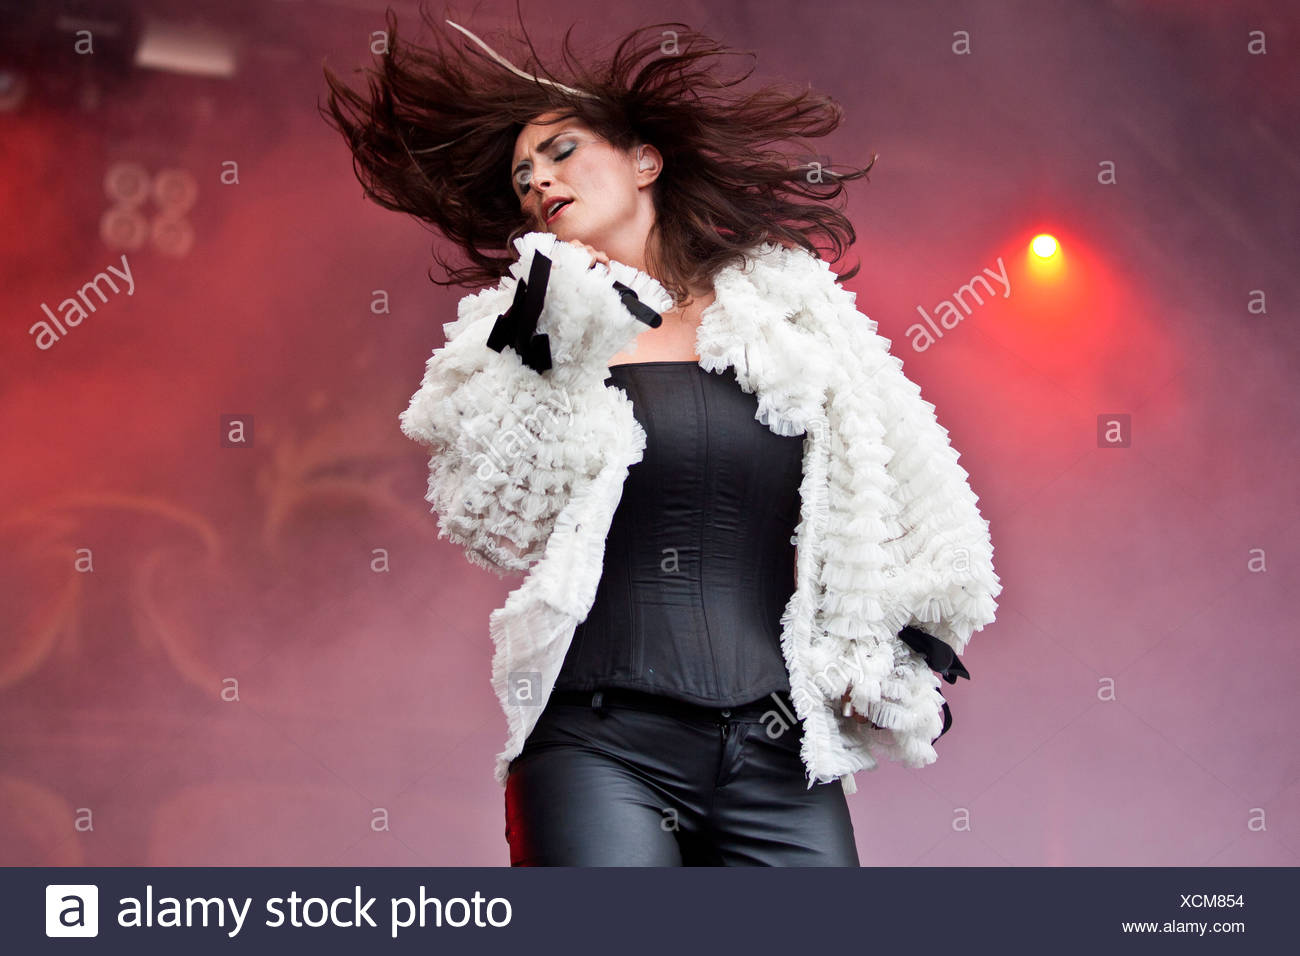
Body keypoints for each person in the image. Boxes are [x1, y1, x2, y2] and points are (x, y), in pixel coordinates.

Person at [322, 6, 1001, 866]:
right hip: (598, 745)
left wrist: (885, 646)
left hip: (778, 749)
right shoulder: (521, 328)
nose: (536, 179)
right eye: (522, 175)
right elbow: (489, 514)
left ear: (646, 160)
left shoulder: (785, 310)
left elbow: (901, 474)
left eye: (560, 151)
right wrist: (547, 351)